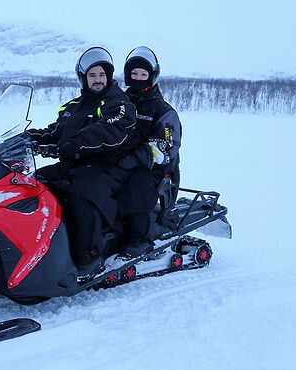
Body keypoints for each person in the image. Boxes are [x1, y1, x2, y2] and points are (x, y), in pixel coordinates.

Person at [27, 46, 138, 271]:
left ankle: (89, 255)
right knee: (33, 182)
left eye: (101, 75)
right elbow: (56, 131)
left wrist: (75, 144)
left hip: (109, 167)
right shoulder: (74, 106)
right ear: (84, 78)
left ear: (108, 76)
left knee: (79, 191)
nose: (97, 80)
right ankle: (37, 247)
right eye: (92, 75)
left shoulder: (119, 104)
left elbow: (109, 131)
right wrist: (25, 138)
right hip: (76, 163)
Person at [116, 46, 182, 257]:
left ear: (151, 77)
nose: (138, 78)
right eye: (134, 74)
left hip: (155, 168)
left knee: (136, 182)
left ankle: (139, 237)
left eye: (143, 74)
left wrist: (138, 156)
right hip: (120, 159)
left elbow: (166, 147)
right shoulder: (119, 103)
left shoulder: (163, 110)